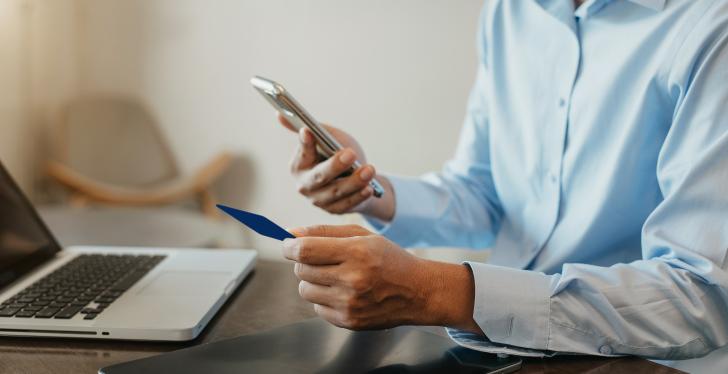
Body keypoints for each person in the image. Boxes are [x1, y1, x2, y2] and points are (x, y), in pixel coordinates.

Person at [277, 0, 728, 359]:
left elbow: (701, 295)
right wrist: (371, 193)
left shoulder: (711, 26)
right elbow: (485, 193)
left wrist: (438, 292)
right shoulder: (509, 12)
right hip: (498, 345)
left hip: (645, 360)